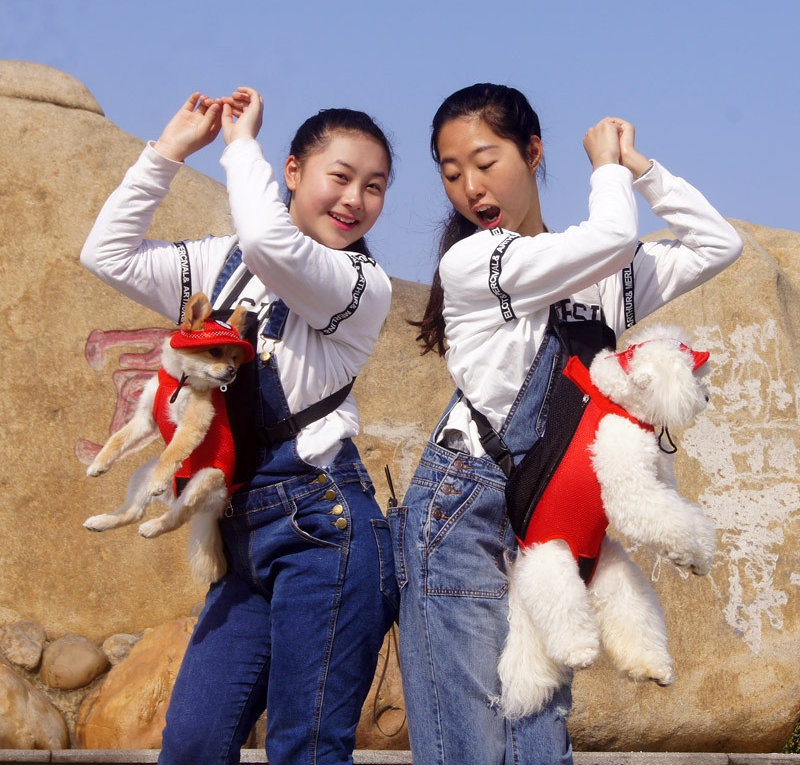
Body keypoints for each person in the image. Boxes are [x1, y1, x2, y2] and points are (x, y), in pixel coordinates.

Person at [389, 83, 743, 765]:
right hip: (465, 506)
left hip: (545, 517)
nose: (470, 186)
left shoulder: (598, 270)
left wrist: (641, 168)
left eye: (486, 162)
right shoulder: (479, 261)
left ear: (533, 152)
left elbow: (716, 244)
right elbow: (611, 234)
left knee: (538, 731)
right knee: (474, 740)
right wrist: (605, 170)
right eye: (451, 171)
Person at [81, 87, 399, 765]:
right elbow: (106, 254)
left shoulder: (357, 284)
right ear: (292, 173)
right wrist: (170, 150)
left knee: (304, 750)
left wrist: (240, 146)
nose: (354, 200)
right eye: (339, 177)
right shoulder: (220, 264)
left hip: (326, 534)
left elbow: (268, 239)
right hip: (242, 540)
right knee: (192, 744)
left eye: (374, 187)